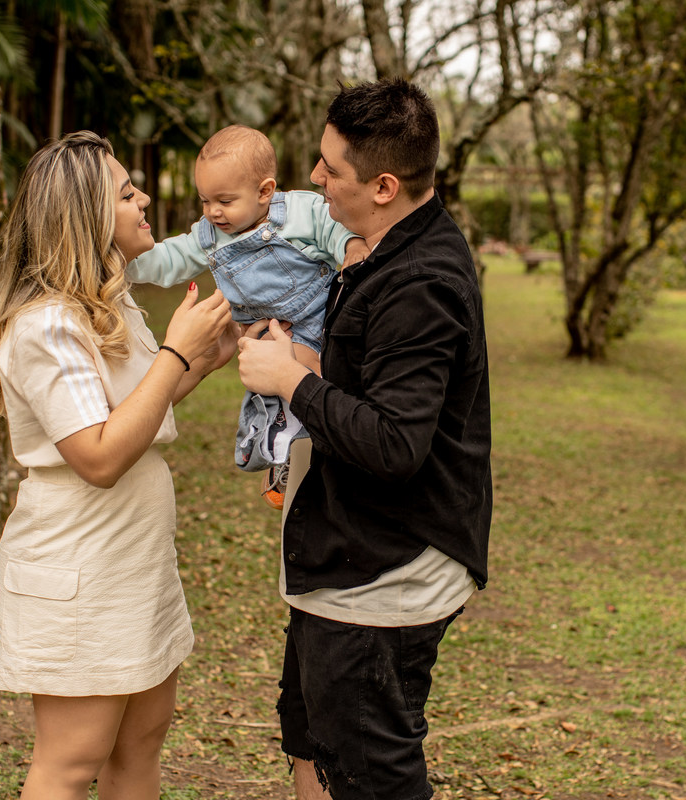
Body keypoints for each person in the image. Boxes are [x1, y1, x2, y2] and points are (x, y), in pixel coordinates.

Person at [236, 79, 492, 800]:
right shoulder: (380, 251)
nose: (314, 177)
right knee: (311, 743)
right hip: (343, 560)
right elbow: (377, 386)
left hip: (384, 577)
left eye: (331, 167)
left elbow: (394, 444)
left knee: (369, 775)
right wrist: (306, 363)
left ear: (384, 187)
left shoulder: (421, 282)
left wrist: (292, 382)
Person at [0, 131, 236, 800]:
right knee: (72, 761)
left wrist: (203, 360)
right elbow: (97, 455)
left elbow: (131, 413)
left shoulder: (107, 305)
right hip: (81, 570)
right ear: (85, 218)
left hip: (135, 564)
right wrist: (176, 352)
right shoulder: (47, 325)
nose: (144, 200)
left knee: (140, 746)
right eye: (126, 193)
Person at [126, 124, 369, 508]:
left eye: (224, 200)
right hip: (266, 334)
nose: (212, 212)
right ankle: (285, 457)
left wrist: (351, 245)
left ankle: (308, 452)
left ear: (264, 191)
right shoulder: (208, 236)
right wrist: (123, 262)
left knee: (314, 386)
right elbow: (168, 260)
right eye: (205, 200)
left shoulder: (298, 211)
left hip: (318, 318)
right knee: (272, 399)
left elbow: (331, 228)